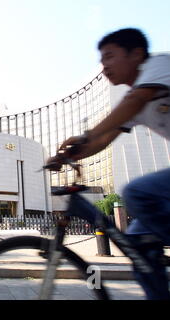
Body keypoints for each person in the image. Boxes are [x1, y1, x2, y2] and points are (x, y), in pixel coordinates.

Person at [46, 28, 170, 300]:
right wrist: (68, 156)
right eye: (102, 61)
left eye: (110, 57)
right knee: (138, 250)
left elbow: (132, 102)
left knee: (136, 192)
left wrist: (87, 134)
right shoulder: (137, 100)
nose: (105, 67)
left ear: (136, 54)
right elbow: (104, 140)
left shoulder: (159, 67)